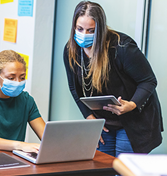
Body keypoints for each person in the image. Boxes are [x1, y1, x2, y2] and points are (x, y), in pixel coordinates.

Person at [63, 1, 163, 157]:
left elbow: (148, 81)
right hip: (102, 121)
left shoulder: (122, 47)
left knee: (124, 169)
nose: (84, 35)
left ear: (101, 29)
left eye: (91, 30)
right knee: (102, 167)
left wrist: (131, 105)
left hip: (133, 120)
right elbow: (74, 89)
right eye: (80, 29)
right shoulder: (71, 50)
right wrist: (89, 117)